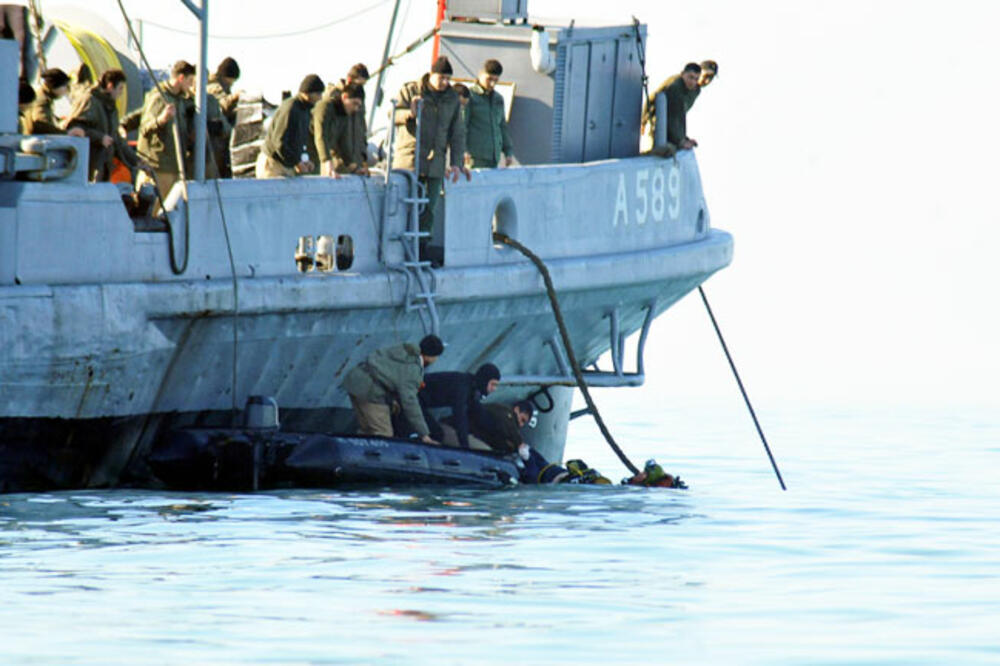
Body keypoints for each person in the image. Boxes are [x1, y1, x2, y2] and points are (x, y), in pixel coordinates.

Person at [391, 56, 469, 251]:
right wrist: (410, 113)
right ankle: (400, 249)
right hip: (410, 160)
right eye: (441, 77)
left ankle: (422, 248)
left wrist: (456, 163)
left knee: (429, 208)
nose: (445, 82)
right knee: (406, 207)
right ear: (431, 74)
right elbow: (393, 115)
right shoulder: (411, 90)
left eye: (447, 79)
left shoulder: (452, 98)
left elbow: (457, 133)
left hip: (435, 162)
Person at [341, 334, 445, 442]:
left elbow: (391, 375)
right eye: (436, 357)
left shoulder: (403, 349)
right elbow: (410, 404)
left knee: (367, 430)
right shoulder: (413, 371)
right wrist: (424, 434)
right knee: (384, 435)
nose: (435, 360)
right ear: (430, 356)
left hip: (354, 381)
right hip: (370, 393)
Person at [64, 69, 144, 182]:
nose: (121, 93)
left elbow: (116, 138)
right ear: (110, 86)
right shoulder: (90, 101)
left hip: (103, 164)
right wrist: (99, 138)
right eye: (120, 88)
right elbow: (74, 129)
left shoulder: (110, 107)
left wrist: (136, 161)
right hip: (88, 165)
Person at [136, 60, 197, 201]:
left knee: (171, 210)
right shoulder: (159, 97)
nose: (191, 86)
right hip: (158, 166)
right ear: (181, 78)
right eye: (189, 81)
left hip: (174, 165)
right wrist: (162, 119)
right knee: (156, 209)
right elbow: (145, 128)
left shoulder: (180, 100)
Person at [416, 363, 500, 449]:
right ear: (484, 380)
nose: (494, 389)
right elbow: (460, 417)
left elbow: (479, 412)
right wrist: (465, 447)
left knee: (436, 433)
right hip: (414, 400)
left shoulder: (471, 387)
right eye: (493, 384)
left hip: (420, 402)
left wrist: (497, 432)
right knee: (437, 434)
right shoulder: (462, 387)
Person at [256, 74, 323, 178]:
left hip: (286, 165)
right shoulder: (290, 108)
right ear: (307, 92)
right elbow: (279, 142)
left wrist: (303, 160)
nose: (320, 98)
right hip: (273, 164)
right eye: (318, 94)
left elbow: (297, 142)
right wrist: (297, 162)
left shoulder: (305, 111)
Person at [643, 62, 704, 153]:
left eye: (696, 79)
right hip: (656, 124)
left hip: (666, 124)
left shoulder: (693, 90)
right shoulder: (675, 88)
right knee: (667, 152)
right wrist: (681, 141)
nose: (693, 82)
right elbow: (674, 116)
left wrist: (684, 138)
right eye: (690, 77)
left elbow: (680, 116)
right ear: (682, 74)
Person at [464, 59, 514, 168]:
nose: (492, 84)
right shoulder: (469, 97)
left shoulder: (498, 99)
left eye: (496, 80)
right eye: (489, 79)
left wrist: (508, 152)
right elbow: (462, 126)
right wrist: (463, 150)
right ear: (480, 74)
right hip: (473, 158)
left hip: (493, 157)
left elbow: (502, 127)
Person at [321, 63, 370, 174]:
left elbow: (362, 128)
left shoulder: (359, 98)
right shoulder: (333, 97)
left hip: (355, 161)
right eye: (358, 84)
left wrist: (363, 156)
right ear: (349, 79)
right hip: (338, 162)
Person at [312, 81, 367, 176]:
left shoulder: (344, 115)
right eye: (354, 103)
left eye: (359, 106)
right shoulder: (325, 107)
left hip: (318, 158)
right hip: (309, 156)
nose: (356, 109)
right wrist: (327, 162)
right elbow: (320, 136)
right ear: (344, 97)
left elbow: (344, 144)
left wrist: (353, 168)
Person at [24, 68, 85, 137]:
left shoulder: (45, 97)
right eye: (65, 86)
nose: (67, 89)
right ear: (55, 86)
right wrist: (66, 134)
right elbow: (42, 125)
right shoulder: (42, 101)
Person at [206, 57, 241, 177]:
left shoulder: (222, 86)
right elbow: (222, 104)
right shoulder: (214, 87)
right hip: (214, 140)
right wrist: (235, 97)